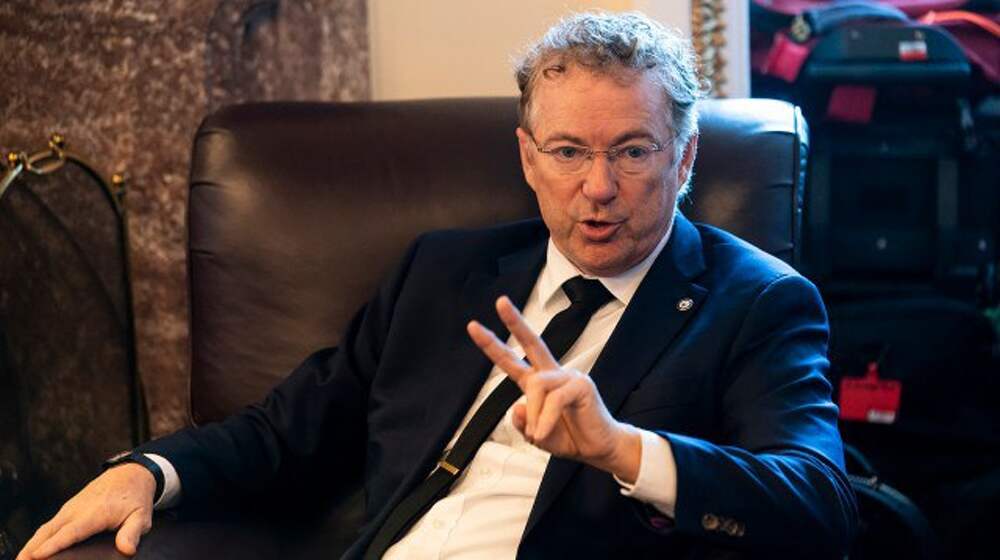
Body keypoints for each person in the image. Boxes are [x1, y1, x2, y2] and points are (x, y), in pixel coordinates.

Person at [18, 11, 857, 560]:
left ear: (685, 157)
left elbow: (821, 506)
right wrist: (150, 471)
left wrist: (620, 449)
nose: (598, 187)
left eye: (633, 151)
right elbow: (286, 430)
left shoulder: (755, 303)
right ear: (529, 158)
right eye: (569, 152)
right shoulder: (442, 272)